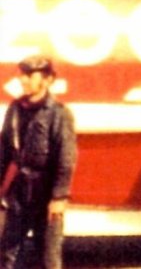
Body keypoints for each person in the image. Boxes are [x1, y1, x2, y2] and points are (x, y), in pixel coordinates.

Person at [0, 56, 77, 269]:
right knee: (9, 255)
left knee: (48, 258)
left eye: (29, 75)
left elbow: (66, 157)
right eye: (21, 75)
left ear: (46, 79)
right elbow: (4, 151)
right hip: (19, 193)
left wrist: (59, 196)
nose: (23, 80)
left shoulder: (59, 114)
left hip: (46, 194)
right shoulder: (15, 109)